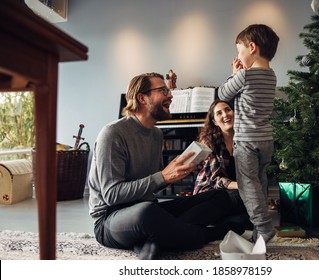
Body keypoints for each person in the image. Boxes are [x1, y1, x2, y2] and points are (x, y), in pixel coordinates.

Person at [88, 72, 242, 260]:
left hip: (148, 207)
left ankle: (153, 240)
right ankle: (209, 234)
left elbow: (153, 184)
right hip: (111, 219)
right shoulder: (112, 134)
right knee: (147, 213)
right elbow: (112, 195)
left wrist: (176, 174)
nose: (171, 95)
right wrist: (163, 176)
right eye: (163, 91)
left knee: (220, 196)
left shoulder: (156, 135)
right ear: (142, 98)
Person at [218, 24, 280, 243]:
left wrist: (233, 73)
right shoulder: (271, 75)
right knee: (260, 182)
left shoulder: (244, 75)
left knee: (246, 184)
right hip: (266, 140)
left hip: (246, 140)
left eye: (239, 51)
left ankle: (264, 227)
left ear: (252, 47)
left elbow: (223, 93)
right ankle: (257, 233)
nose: (238, 56)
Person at [194, 100, 251, 230]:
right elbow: (215, 180)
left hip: (235, 192)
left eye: (228, 110)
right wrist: (242, 187)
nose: (225, 115)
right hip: (211, 191)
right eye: (219, 113)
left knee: (245, 220)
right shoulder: (208, 141)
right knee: (242, 201)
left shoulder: (243, 138)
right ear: (214, 121)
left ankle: (222, 222)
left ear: (234, 112)